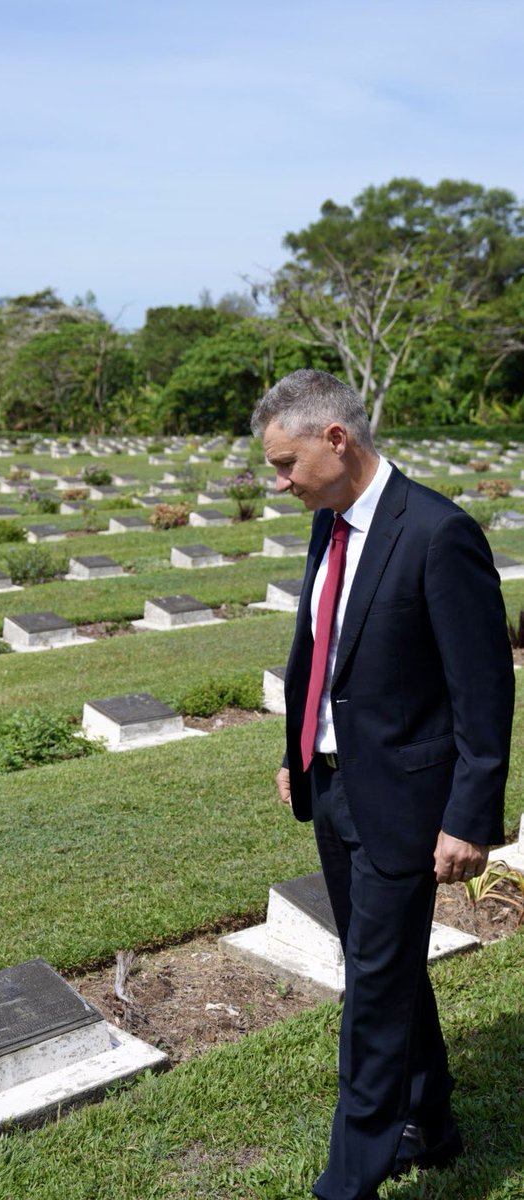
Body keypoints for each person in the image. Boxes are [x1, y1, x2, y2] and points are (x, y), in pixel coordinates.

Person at [250, 369, 514, 1200]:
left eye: (287, 463)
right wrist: (299, 756)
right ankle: (429, 1119)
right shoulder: (327, 525)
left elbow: (484, 692)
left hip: (407, 801)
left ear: (338, 440)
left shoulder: (438, 532)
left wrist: (470, 818)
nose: (279, 482)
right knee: (385, 965)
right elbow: (318, 656)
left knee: (372, 984)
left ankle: (349, 1178)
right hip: (335, 788)